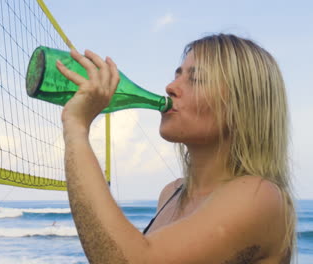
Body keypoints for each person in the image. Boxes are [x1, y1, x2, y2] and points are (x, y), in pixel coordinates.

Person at [55, 33, 296, 263]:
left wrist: (76, 129)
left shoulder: (260, 197)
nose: (170, 86)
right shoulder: (172, 193)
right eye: (177, 75)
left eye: (196, 78)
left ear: (242, 105)